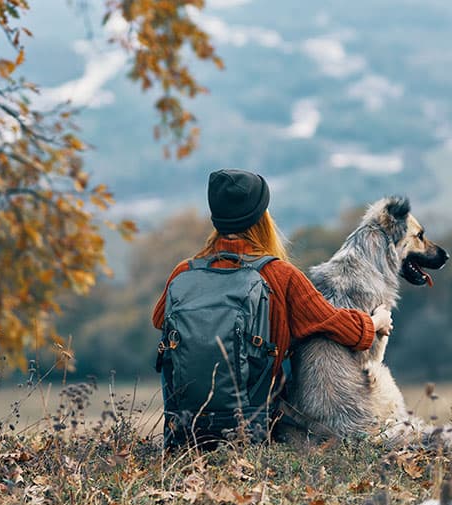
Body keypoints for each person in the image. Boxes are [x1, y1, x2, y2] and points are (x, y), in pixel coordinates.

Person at [152, 168, 392, 446]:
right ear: (261, 217)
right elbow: (338, 326)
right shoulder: (281, 274)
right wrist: (376, 322)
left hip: (185, 429)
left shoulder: (183, 272)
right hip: (252, 428)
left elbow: (160, 319)